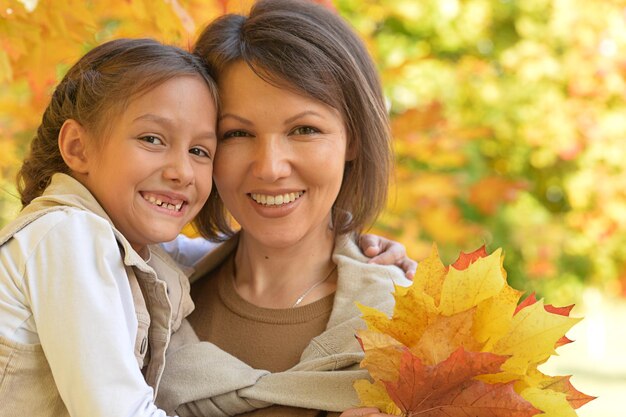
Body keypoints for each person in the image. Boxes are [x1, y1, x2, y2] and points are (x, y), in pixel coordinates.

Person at [156, 1, 409, 416]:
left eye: (304, 129)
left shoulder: (409, 325)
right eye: (237, 133)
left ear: (354, 140)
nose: (270, 168)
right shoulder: (150, 308)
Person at [0, 38, 219, 417]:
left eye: (199, 151)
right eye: (152, 139)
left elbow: (209, 255)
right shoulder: (68, 234)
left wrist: (336, 241)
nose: (182, 172)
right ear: (78, 147)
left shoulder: (112, 240)